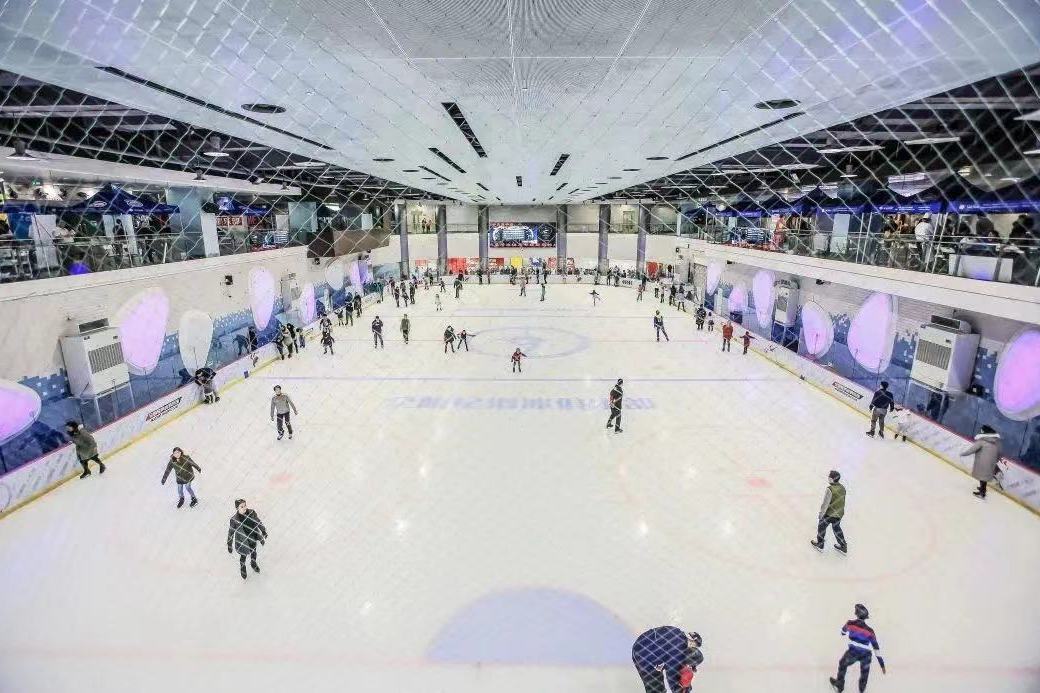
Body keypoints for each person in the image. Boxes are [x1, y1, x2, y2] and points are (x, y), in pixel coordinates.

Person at [829, 604, 886, 692]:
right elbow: (876, 648)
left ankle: (840, 685)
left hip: (853, 653)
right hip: (866, 655)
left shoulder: (850, 623)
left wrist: (846, 631)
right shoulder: (870, 631)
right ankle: (861, 690)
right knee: (864, 673)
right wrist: (882, 665)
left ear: (856, 613)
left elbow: (843, 632)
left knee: (843, 663)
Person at [632, 627, 703, 693]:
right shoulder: (680, 646)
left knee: (655, 686)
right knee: (657, 689)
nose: (691, 648)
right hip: (644, 656)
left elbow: (666, 651)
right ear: (692, 640)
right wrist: (680, 690)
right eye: (693, 646)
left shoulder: (677, 632)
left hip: (639, 647)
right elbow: (672, 674)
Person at [227, 499, 268, 580]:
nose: (244, 508)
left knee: (254, 552)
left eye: (245, 505)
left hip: (253, 537)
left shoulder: (251, 513)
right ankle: (243, 568)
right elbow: (231, 532)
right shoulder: (234, 520)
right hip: (243, 541)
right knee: (243, 556)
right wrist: (229, 544)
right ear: (237, 508)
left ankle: (253, 563)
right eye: (242, 507)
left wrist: (263, 531)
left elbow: (258, 522)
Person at [959, 424, 1002, 499]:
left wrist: (963, 454)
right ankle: (982, 489)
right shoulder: (995, 442)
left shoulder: (982, 441)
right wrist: (995, 461)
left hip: (982, 462)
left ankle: (982, 493)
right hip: (990, 462)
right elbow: (999, 453)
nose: (981, 431)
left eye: (982, 430)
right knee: (984, 477)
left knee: (982, 477)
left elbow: (972, 450)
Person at [811, 470, 847, 555]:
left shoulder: (830, 489)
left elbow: (825, 504)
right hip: (839, 513)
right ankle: (843, 546)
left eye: (829, 477)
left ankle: (820, 544)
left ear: (832, 479)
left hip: (829, 514)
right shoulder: (843, 488)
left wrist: (821, 514)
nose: (828, 478)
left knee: (821, 526)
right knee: (836, 528)